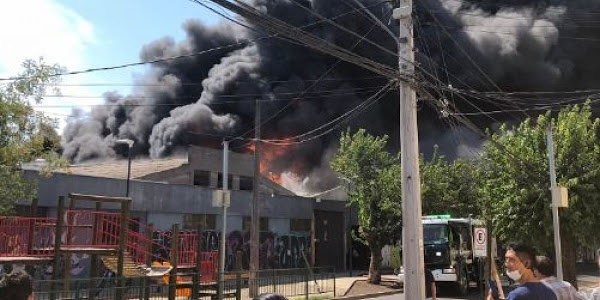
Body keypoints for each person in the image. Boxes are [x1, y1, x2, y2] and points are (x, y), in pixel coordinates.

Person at [487, 242, 557, 300]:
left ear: (527, 263)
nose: (506, 264)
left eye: (512, 260)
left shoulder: (517, 295)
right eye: (506, 259)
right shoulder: (550, 292)